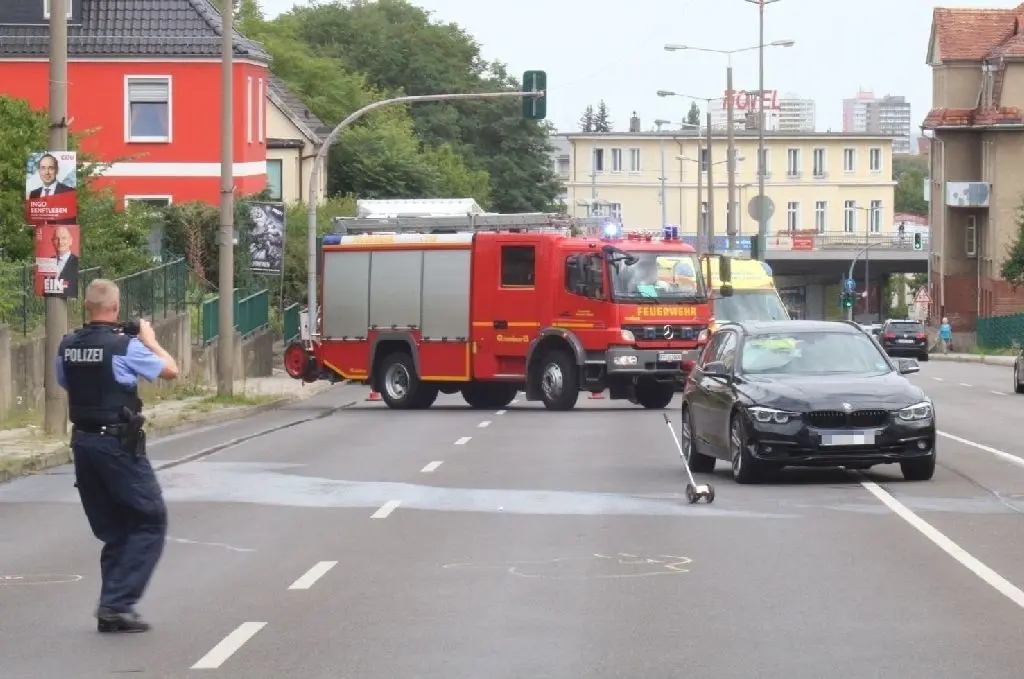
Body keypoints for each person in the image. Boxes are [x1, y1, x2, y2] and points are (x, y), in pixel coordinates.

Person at [55, 279, 179, 633]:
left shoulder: (67, 345)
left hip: (82, 443)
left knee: (115, 529)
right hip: (116, 445)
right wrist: (151, 341)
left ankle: (113, 606)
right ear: (116, 308)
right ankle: (117, 604)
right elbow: (170, 370)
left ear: (86, 306)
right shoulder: (123, 347)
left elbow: (66, 383)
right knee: (149, 519)